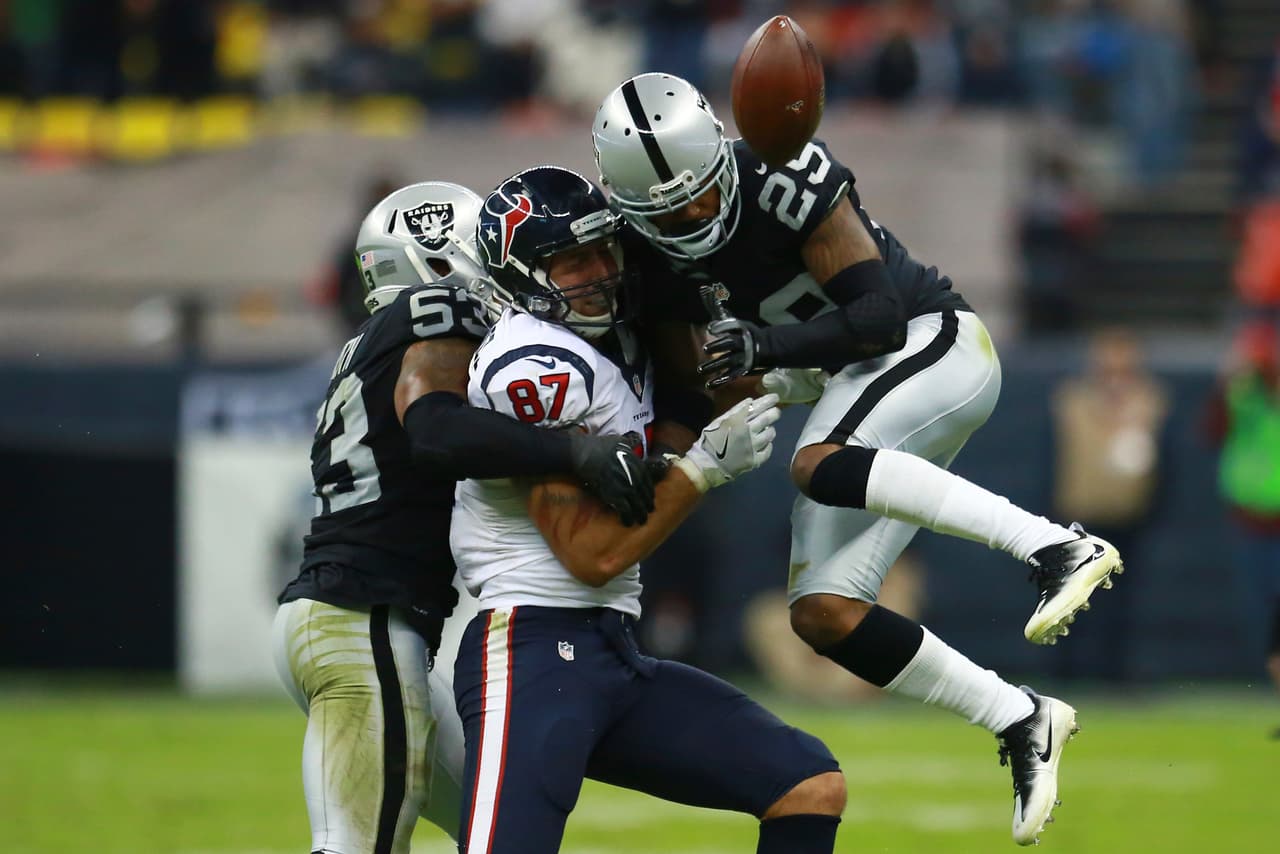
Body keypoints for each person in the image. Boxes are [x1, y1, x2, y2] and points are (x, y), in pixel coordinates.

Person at [592, 73, 1117, 846]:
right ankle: (1020, 716)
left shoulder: (781, 177)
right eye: (667, 210)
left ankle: (1053, 546)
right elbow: (694, 384)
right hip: (852, 385)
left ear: (720, 162)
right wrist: (672, 461)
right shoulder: (643, 258)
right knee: (824, 613)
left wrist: (770, 348)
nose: (692, 216)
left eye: (700, 195)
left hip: (929, 341)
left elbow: (875, 317)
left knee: (818, 460)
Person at [451, 165, 846, 853]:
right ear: (522, 276)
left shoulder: (615, 339)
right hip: (532, 647)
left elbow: (691, 398)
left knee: (807, 783)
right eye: (573, 262)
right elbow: (593, 554)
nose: (602, 271)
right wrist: (702, 469)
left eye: (603, 249)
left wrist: (781, 378)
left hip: (609, 649)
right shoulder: (532, 363)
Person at [270, 180, 661, 852]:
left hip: (348, 615)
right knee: (357, 844)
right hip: (361, 618)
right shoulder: (441, 310)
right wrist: (577, 450)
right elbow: (438, 431)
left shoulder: (377, 339)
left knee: (499, 835)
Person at [1049, 327, 1169, 683]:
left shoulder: (1150, 401)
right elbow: (1053, 457)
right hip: (1079, 515)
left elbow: (1166, 461)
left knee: (1122, 601)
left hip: (1128, 516)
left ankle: (1114, 674)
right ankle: (1068, 674)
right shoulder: (1071, 400)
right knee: (1070, 597)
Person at [1203, 321, 1280, 737]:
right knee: (1262, 607)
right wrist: (1226, 383)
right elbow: (1212, 431)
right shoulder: (1244, 397)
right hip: (1253, 519)